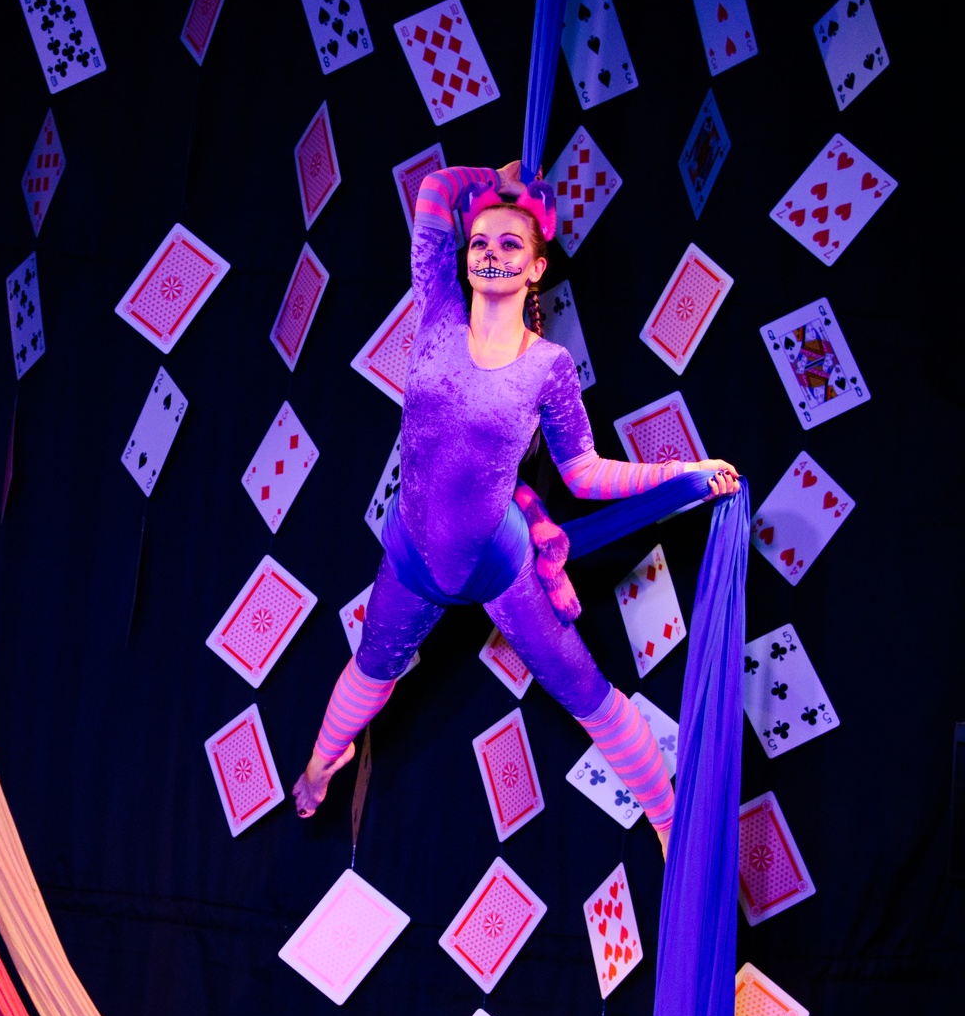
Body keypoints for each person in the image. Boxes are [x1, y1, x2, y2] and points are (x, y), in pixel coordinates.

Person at [294, 163, 739, 857]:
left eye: (510, 245)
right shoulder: (436, 310)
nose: (491, 254)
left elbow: (584, 473)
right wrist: (497, 179)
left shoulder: (549, 366)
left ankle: (666, 820)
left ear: (536, 269)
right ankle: (324, 763)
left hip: (499, 564)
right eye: (480, 242)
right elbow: (434, 191)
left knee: (587, 691)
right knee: (370, 669)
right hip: (413, 556)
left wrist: (681, 473)